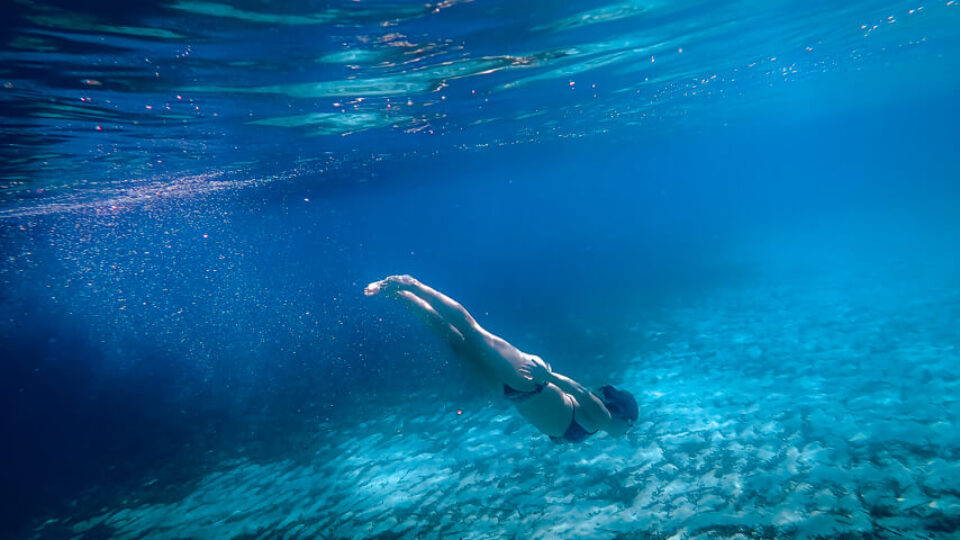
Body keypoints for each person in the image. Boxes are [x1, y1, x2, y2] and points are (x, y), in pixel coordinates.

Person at [365, 274, 638, 443]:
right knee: (472, 333)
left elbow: (564, 412)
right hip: (531, 381)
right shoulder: (603, 419)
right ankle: (414, 285)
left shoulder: (596, 424)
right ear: (621, 416)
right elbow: (576, 390)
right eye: (629, 425)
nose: (627, 432)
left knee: (455, 343)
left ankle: (399, 295)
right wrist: (548, 377)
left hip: (512, 393)